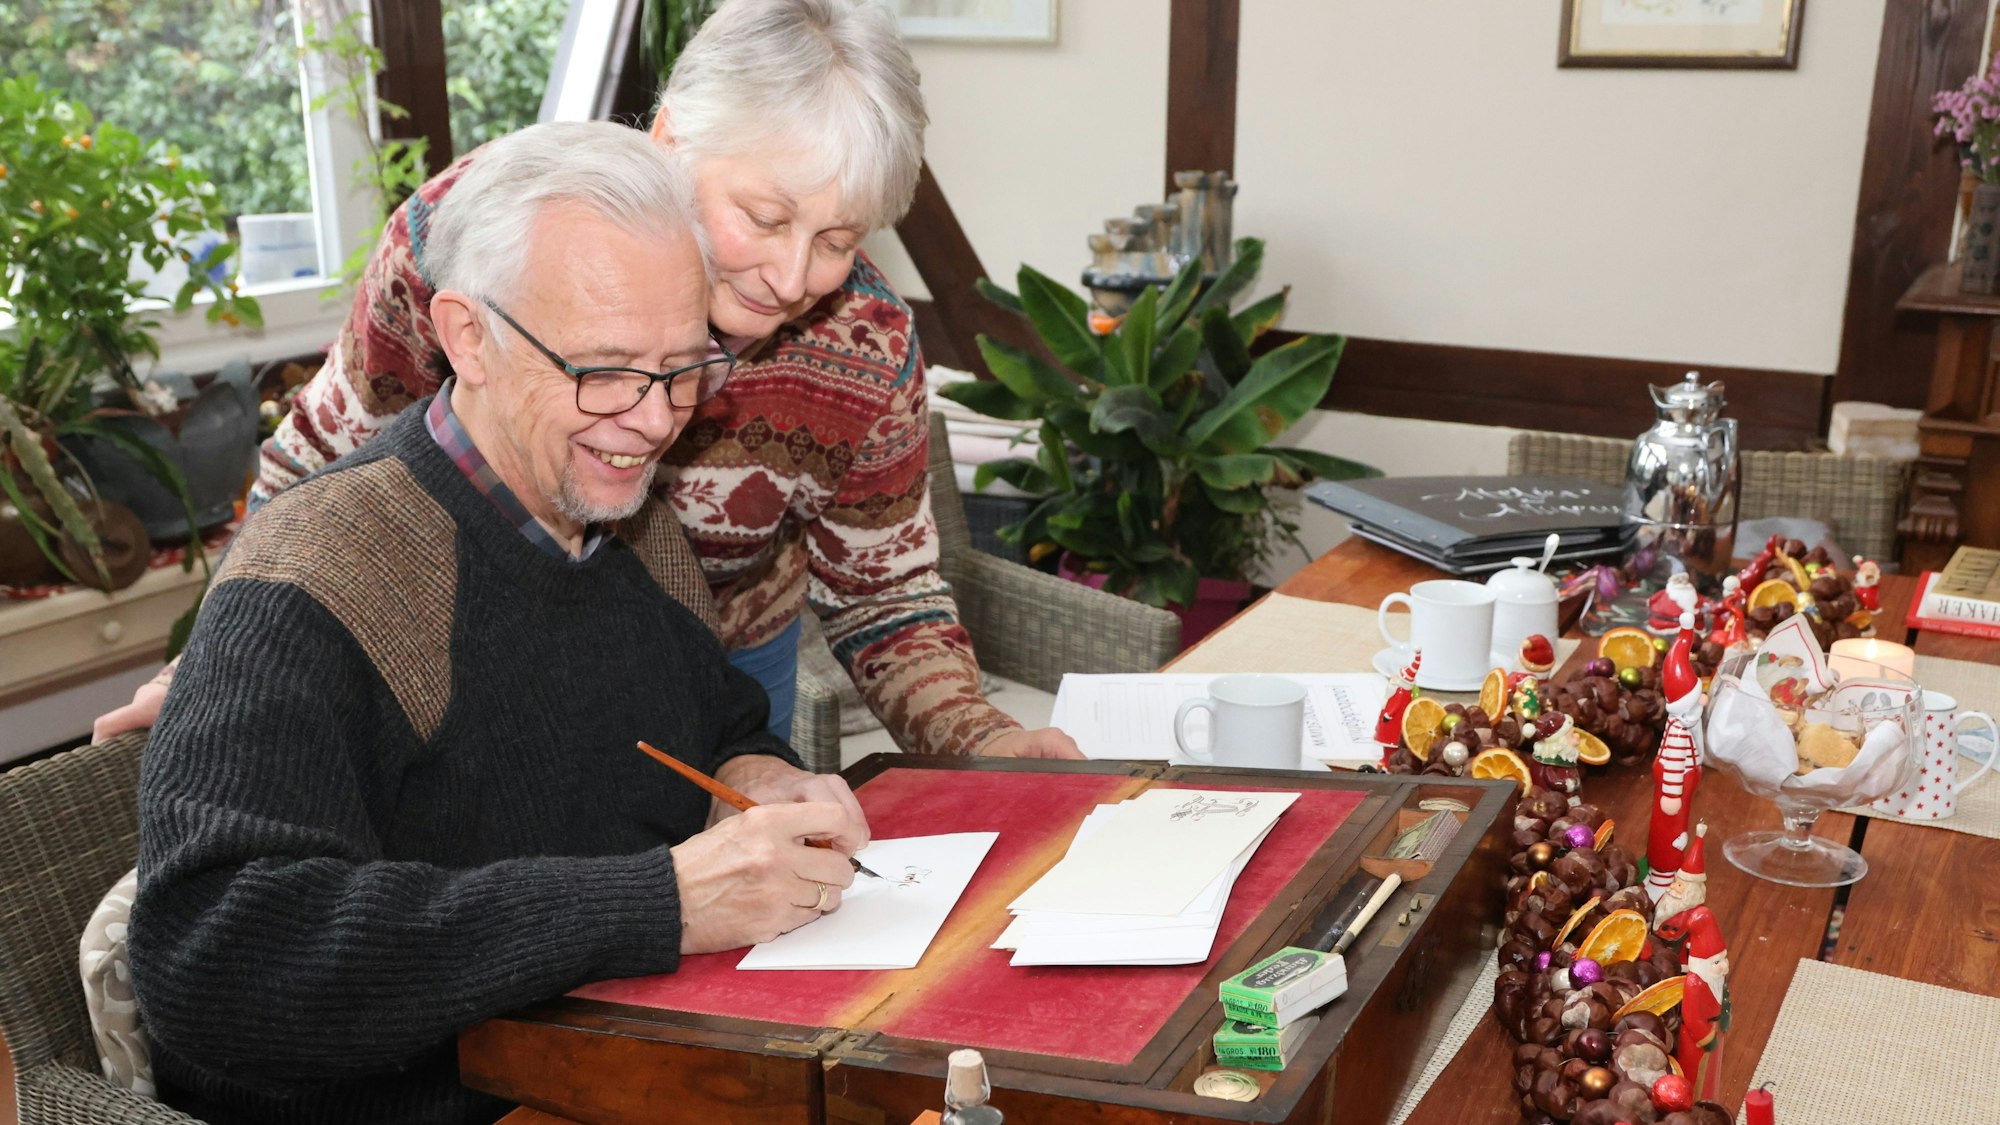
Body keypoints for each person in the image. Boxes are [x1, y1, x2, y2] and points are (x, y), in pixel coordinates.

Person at [94, 0, 1081, 760]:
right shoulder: (473, 237)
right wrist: (214, 661)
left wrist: (980, 742)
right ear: (669, 140)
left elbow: (884, 590)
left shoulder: (861, 339)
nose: (791, 277)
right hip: (472, 649)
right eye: (765, 218)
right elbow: (319, 470)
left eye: (835, 237)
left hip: (727, 666)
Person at [128, 121, 869, 1125]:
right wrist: (659, 904)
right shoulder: (321, 573)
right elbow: (213, 960)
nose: (654, 420)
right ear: (466, 336)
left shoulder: (628, 522)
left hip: (633, 1067)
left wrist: (753, 778)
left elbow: (720, 721)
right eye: (603, 370)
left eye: (682, 368)